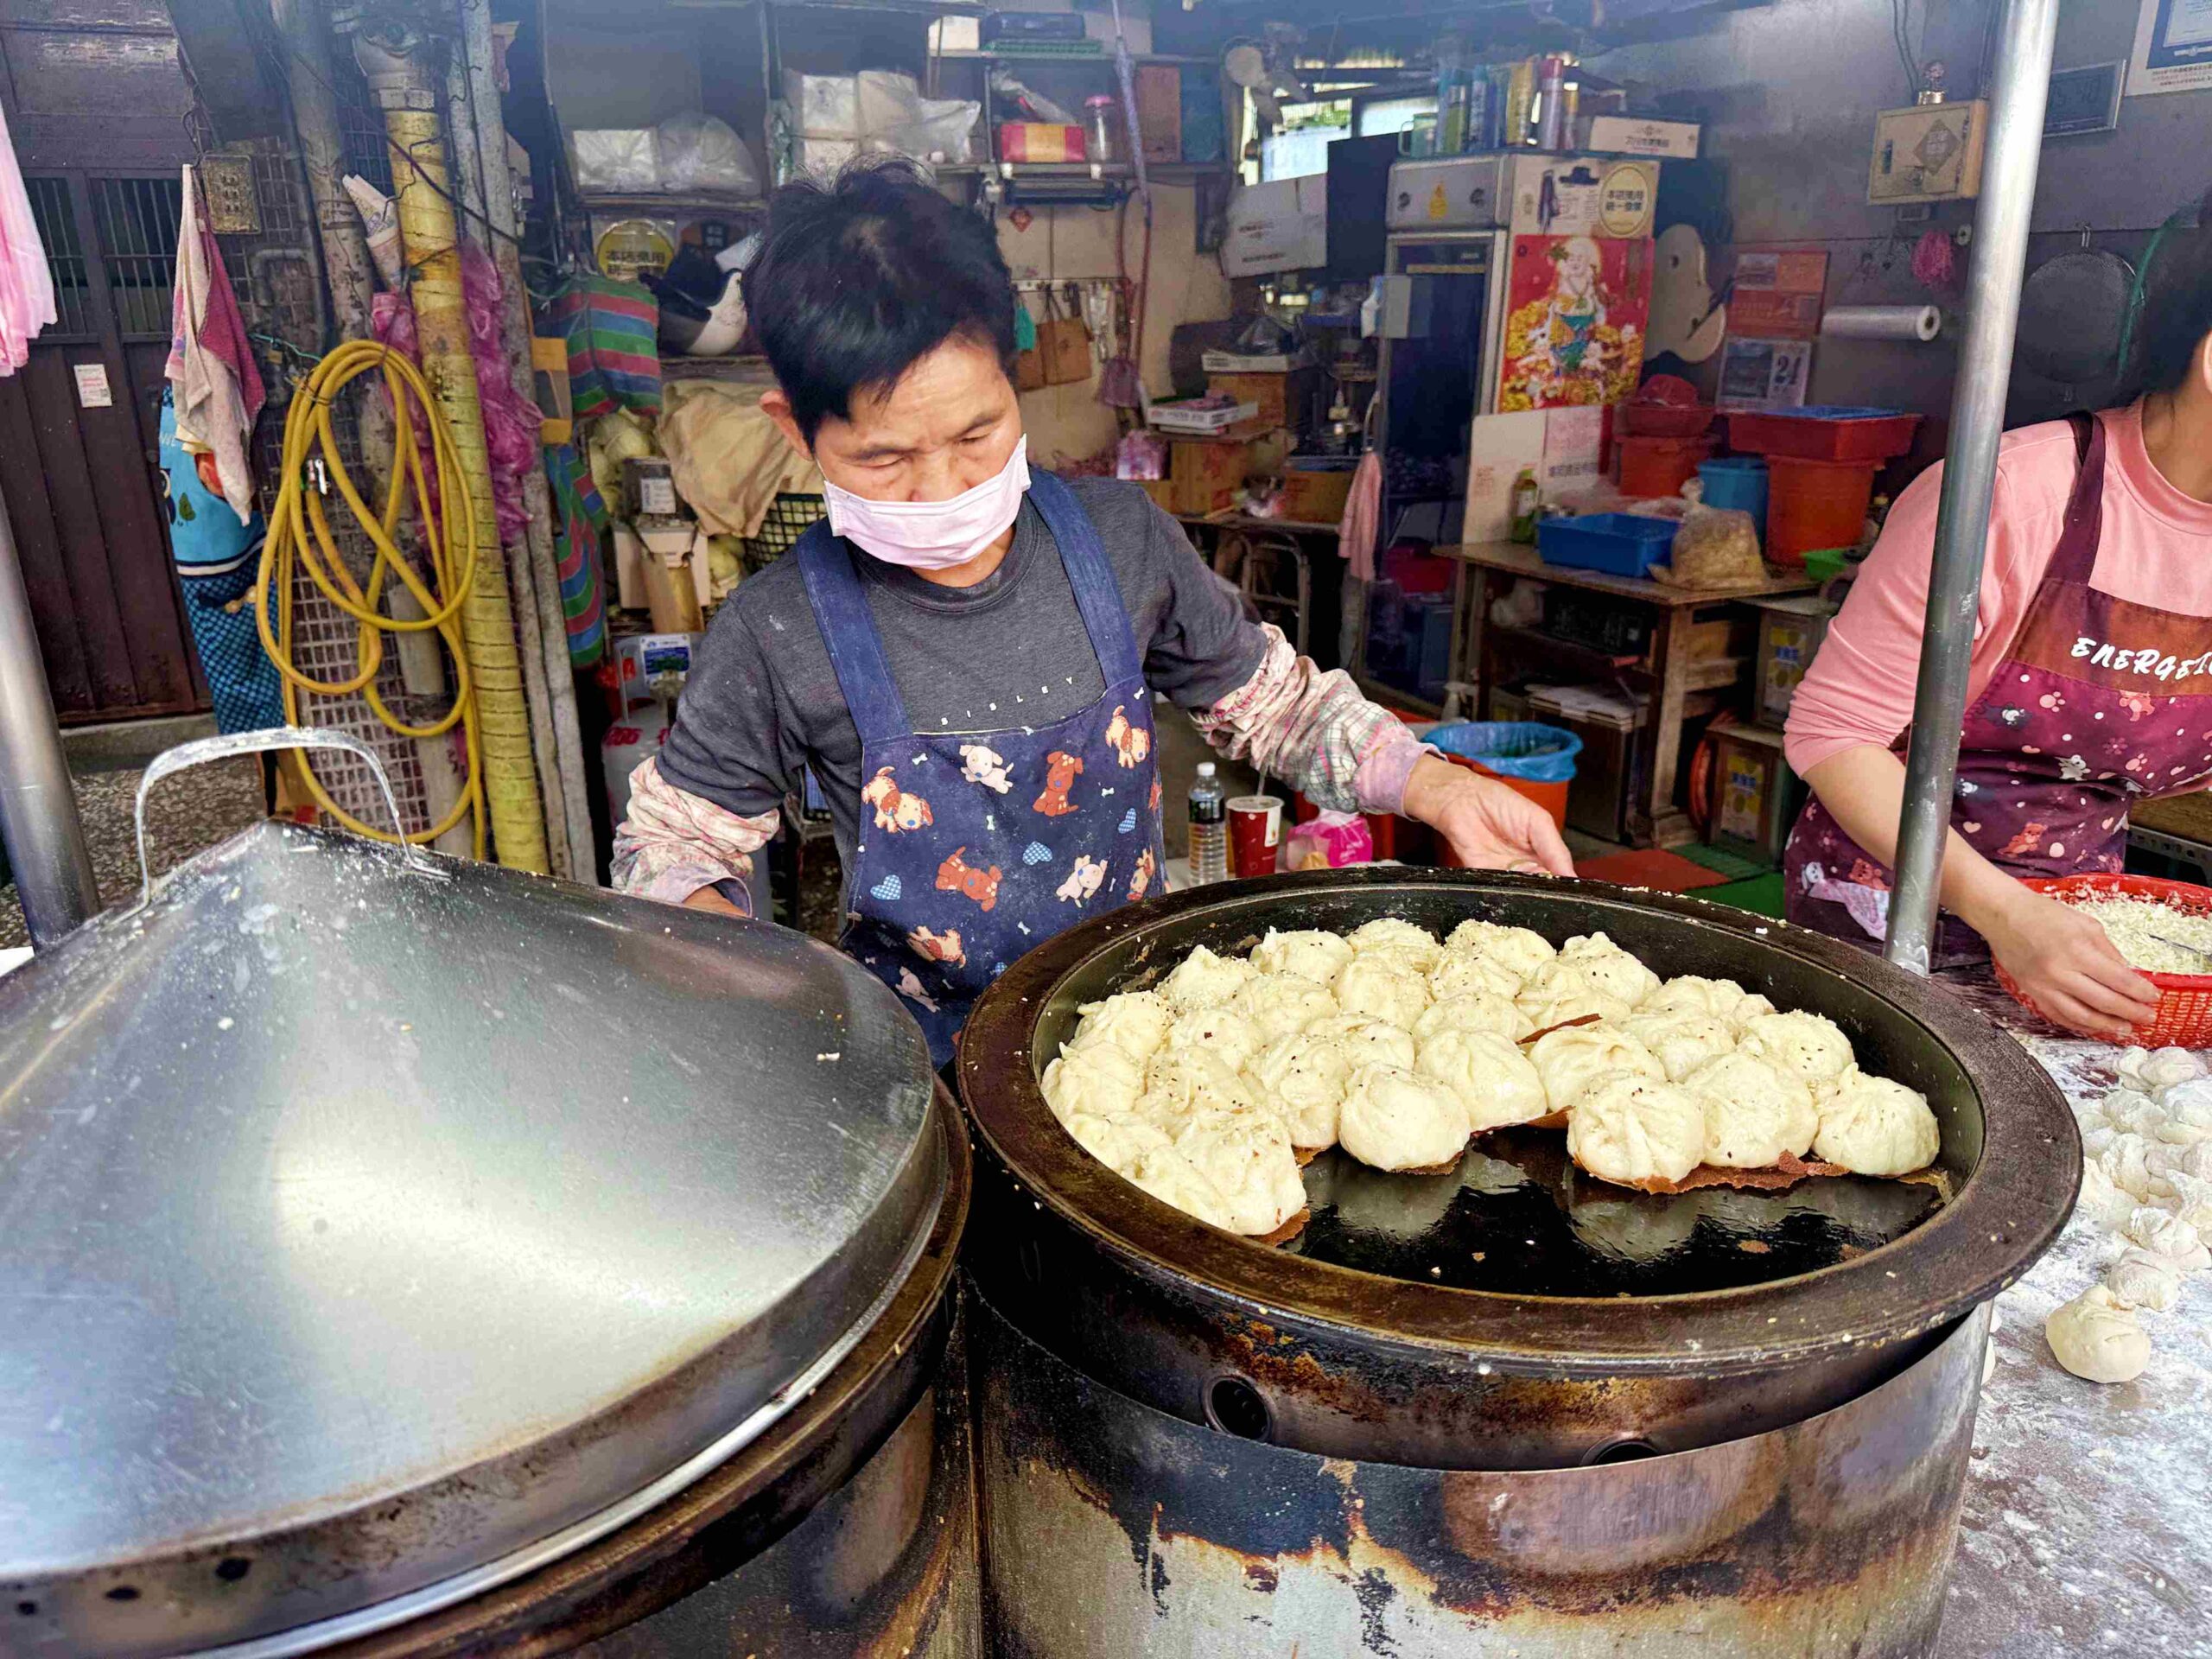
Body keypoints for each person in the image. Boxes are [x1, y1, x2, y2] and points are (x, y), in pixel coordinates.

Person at [614, 162, 1571, 1062]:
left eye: (978, 433)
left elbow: (1279, 708)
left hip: (1143, 1041)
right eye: (885, 459)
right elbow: (670, 845)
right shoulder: (777, 629)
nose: (944, 486)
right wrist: (724, 953)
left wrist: (1439, 788)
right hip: (918, 1074)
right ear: (795, 427)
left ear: (1012, 376)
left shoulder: (1120, 544)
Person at [1782, 249, 2212, 1036]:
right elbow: (1833, 736)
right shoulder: (2013, 496)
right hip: (1889, 922)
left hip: (2085, 943)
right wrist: (2008, 914)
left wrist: (2049, 927)